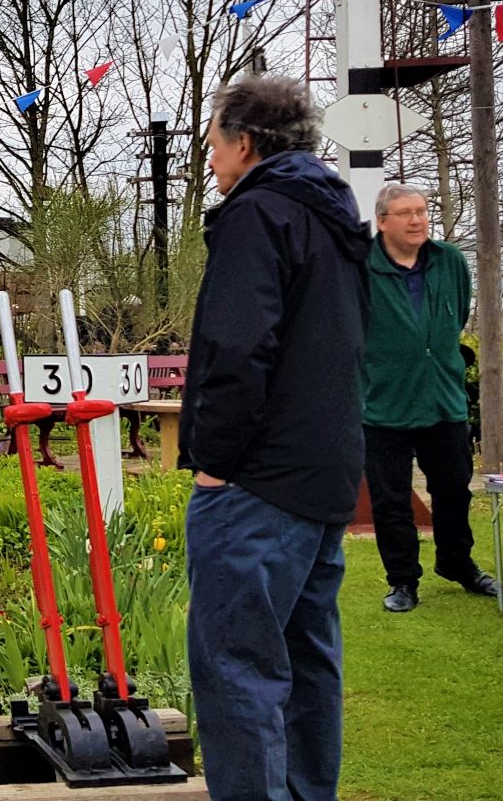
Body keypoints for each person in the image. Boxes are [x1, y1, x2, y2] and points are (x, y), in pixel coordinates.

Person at [180, 75, 370, 801]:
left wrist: (214, 463)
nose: (208, 156)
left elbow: (237, 347)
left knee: (237, 668)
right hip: (322, 474)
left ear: (245, 142)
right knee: (306, 658)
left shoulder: (258, 214)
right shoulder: (333, 218)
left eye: (213, 141)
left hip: (255, 484)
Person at [363, 183, 497, 613]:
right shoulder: (359, 266)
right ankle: (402, 580)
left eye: (421, 211)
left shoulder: (450, 261)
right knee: (391, 499)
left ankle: (457, 564)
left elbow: (455, 316)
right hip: (383, 404)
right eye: (405, 213)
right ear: (383, 221)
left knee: (455, 489)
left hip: (443, 399)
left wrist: (430, 352)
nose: (417, 220)